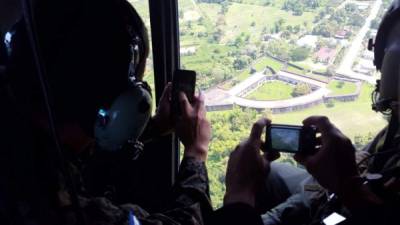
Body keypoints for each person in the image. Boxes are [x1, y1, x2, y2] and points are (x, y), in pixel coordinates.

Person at [2, 0, 214, 224]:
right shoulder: (56, 206)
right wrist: (196, 153)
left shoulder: (21, 119)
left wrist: (155, 127)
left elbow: (86, 142)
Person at [221, 1, 400, 224]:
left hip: (351, 208)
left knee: (258, 181)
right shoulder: (395, 129)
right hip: (341, 197)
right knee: (272, 172)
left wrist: (238, 194)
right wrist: (344, 173)